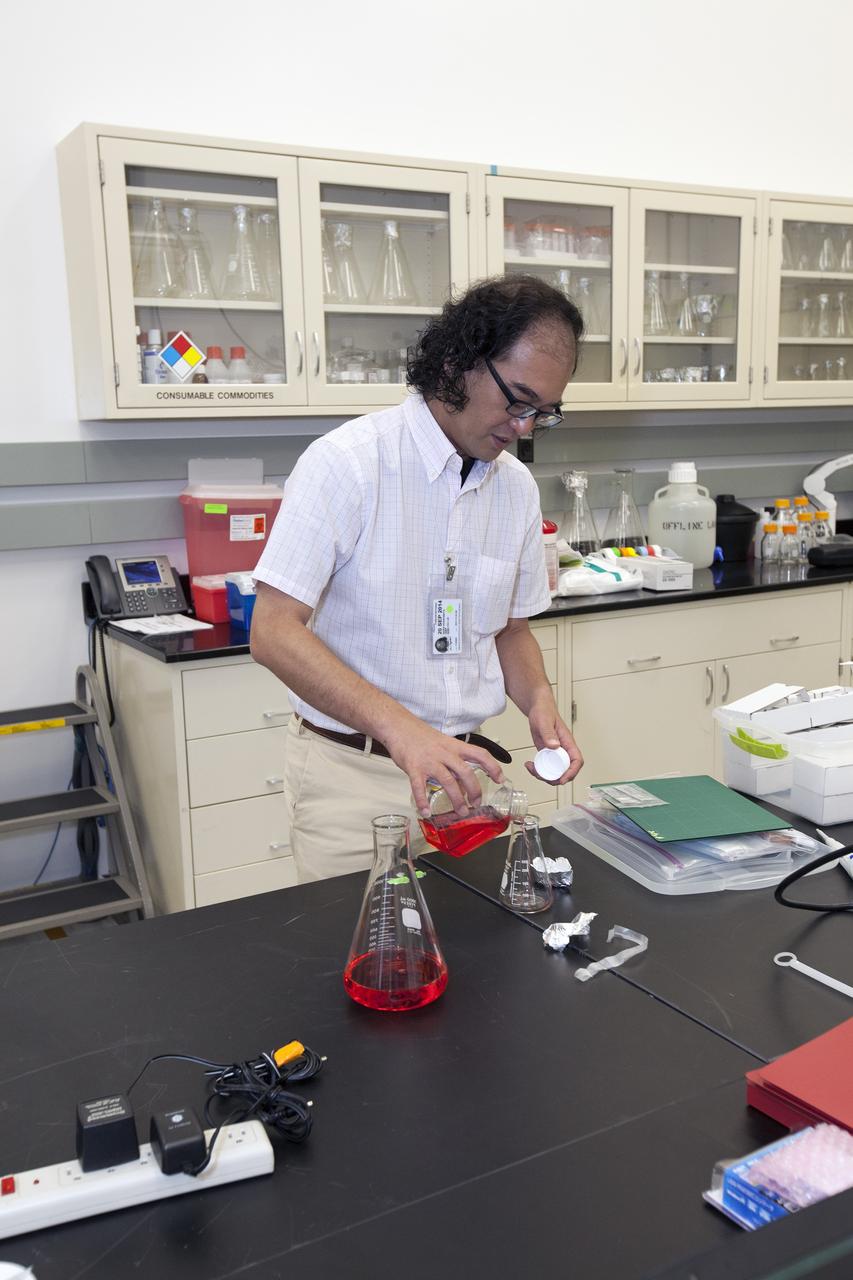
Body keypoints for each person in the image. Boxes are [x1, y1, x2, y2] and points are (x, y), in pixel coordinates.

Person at [251, 274, 585, 881]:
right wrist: (405, 733)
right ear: (458, 364)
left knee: (477, 940)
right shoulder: (348, 464)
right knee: (364, 940)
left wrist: (539, 703)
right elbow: (273, 632)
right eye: (518, 401)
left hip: (464, 779)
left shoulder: (514, 489)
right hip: (355, 781)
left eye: (544, 412)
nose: (526, 428)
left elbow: (510, 630)